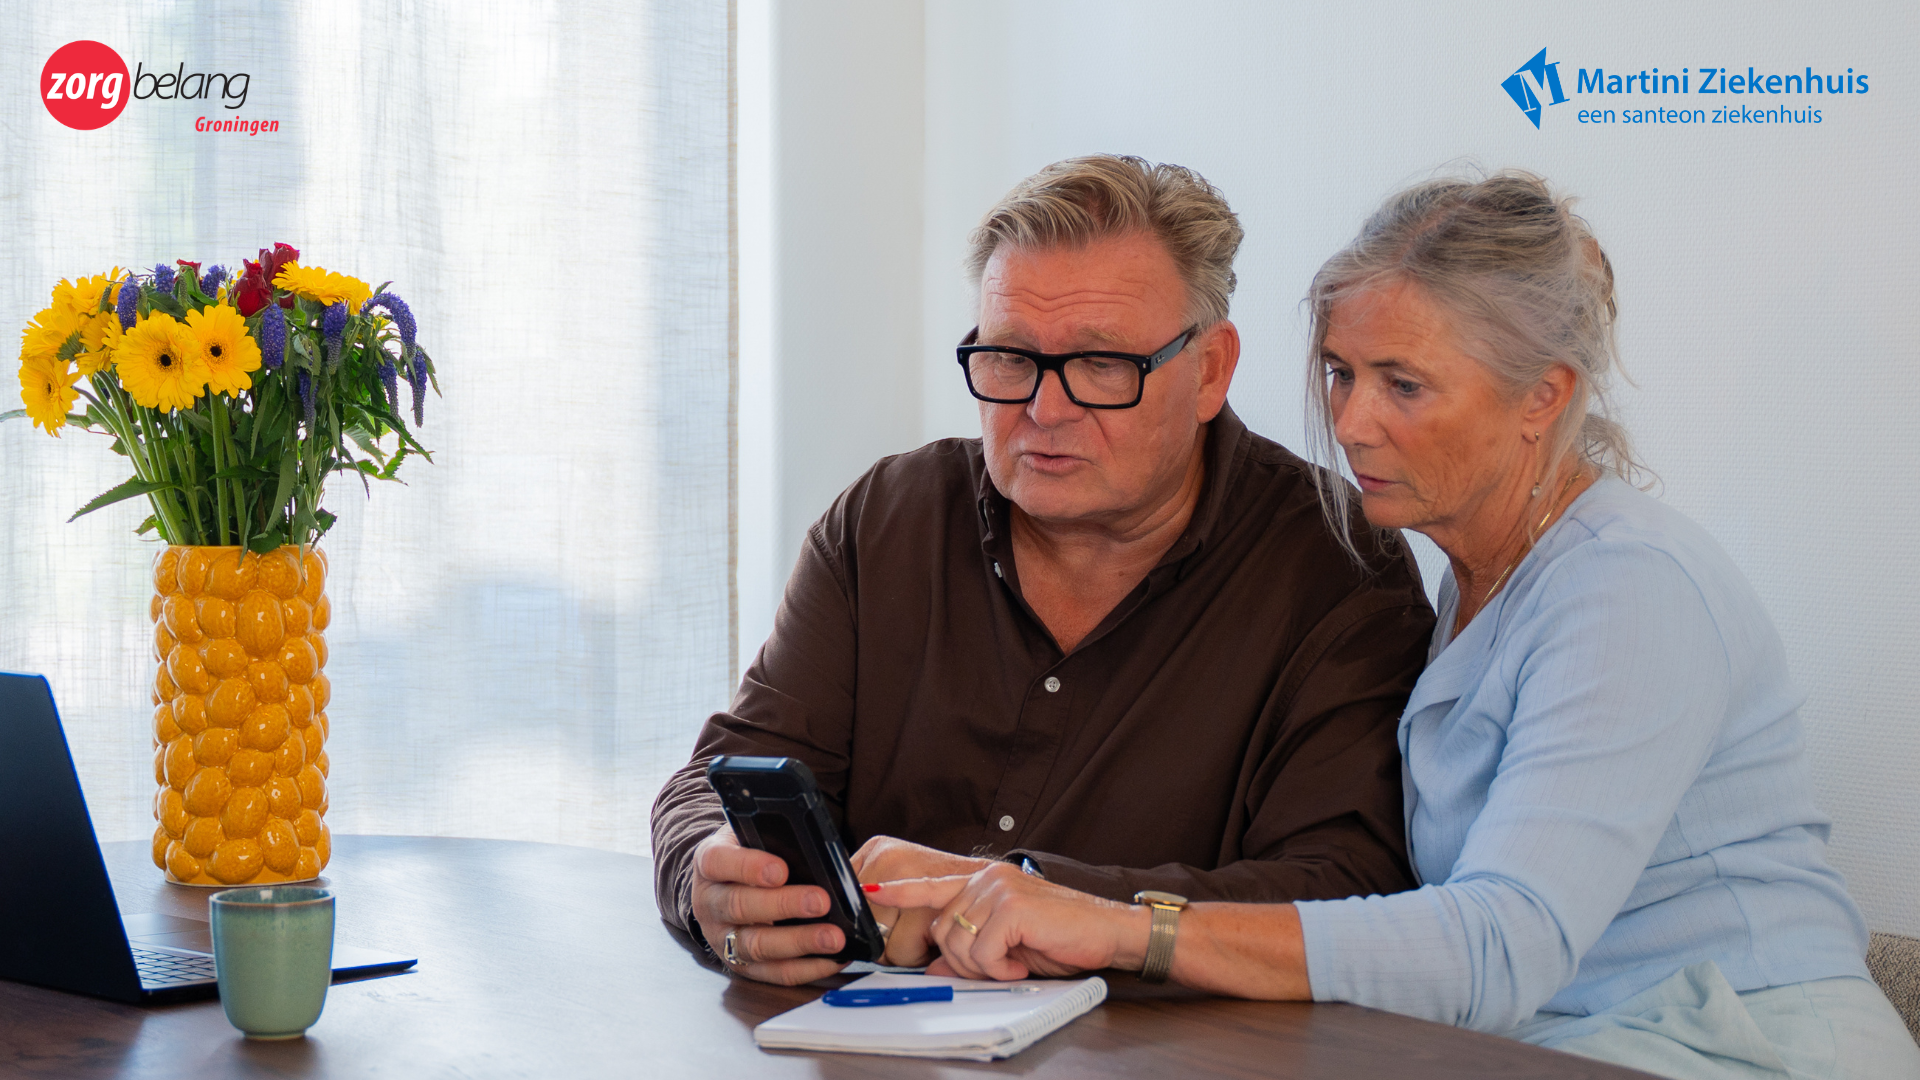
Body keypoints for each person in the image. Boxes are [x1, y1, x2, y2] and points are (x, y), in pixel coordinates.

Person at [866, 172, 1920, 1079]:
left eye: (1404, 385)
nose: (1352, 422)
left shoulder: (1629, 590)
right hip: (1562, 1044)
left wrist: (1122, 927)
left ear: (1541, 399)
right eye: (1341, 372)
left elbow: (1498, 945)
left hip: (1738, 1046)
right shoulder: (1473, 587)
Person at [650, 155, 1436, 986]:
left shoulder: (1337, 566)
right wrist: (712, 877)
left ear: (1210, 369)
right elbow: (723, 779)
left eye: (1102, 364)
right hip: (859, 1033)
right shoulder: (886, 522)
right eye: (1010, 357)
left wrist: (1041, 902)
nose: (1044, 409)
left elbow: (1344, 892)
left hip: (1157, 1045)